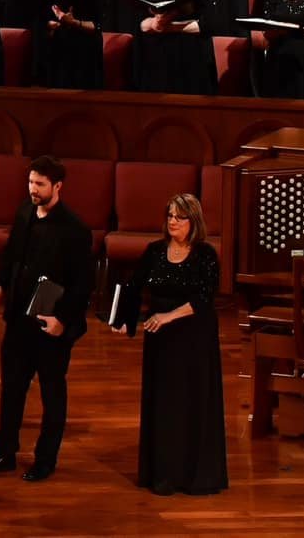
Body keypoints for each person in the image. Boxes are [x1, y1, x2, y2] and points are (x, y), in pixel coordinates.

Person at [0, 156, 93, 483]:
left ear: (57, 186)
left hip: (51, 325)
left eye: (40, 184)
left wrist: (63, 322)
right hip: (19, 322)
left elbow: (83, 285)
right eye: (30, 182)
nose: (33, 189)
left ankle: (45, 459)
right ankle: (4, 454)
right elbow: (12, 254)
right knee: (11, 390)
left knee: (52, 394)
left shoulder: (76, 230)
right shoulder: (24, 212)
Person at [111, 193, 227, 497]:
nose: (173, 221)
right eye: (170, 216)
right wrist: (125, 319)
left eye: (179, 217)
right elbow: (134, 288)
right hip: (161, 341)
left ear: (194, 221)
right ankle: (163, 474)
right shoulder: (154, 252)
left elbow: (203, 299)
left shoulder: (205, 255)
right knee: (164, 405)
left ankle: (194, 476)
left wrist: (167, 317)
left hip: (194, 337)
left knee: (192, 402)